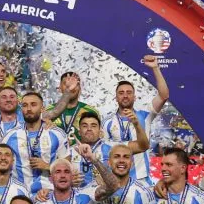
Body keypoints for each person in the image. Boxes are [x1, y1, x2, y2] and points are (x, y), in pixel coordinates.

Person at [101, 55, 169, 185]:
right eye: (121, 93)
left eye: (129, 92)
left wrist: (155, 68)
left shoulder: (145, 115)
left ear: (135, 97)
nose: (125, 96)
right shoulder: (107, 122)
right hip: (116, 181)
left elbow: (164, 95)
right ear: (116, 97)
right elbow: (105, 153)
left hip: (142, 180)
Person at [3, 92, 69, 193]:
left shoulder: (57, 134)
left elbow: (67, 165)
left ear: (42, 109)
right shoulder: (10, 136)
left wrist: (48, 166)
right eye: (25, 105)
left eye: (33, 104)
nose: (29, 109)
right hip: (19, 194)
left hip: (48, 194)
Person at [69, 110, 148, 188]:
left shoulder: (112, 147)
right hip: (80, 199)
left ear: (100, 131)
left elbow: (142, 146)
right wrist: (69, 181)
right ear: (79, 132)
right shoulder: (70, 152)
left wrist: (137, 125)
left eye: (93, 126)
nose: (89, 128)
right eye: (85, 126)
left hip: (109, 197)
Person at [46, 71, 98, 144]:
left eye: (75, 84)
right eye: (66, 83)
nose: (71, 87)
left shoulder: (90, 111)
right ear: (59, 88)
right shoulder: (49, 110)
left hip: (82, 153)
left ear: (80, 88)